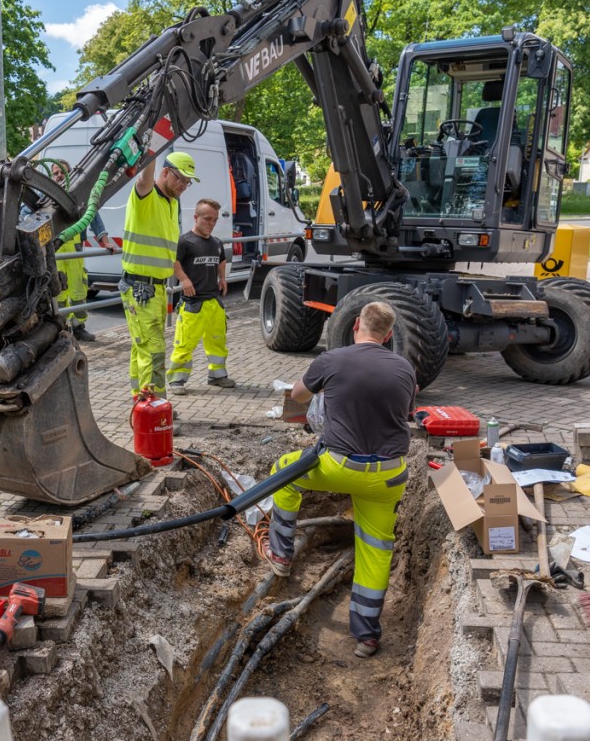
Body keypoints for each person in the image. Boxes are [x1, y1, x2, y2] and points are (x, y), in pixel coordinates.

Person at [262, 301, 416, 659]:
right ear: (389, 334)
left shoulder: (332, 359)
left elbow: (298, 396)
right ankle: (367, 636)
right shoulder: (404, 367)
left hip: (337, 466)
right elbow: (404, 410)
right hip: (387, 477)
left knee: (283, 474)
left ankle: (281, 555)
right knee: (376, 551)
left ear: (356, 325)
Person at [120, 150, 197, 397]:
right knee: (153, 351)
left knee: (141, 348)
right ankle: (155, 407)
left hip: (156, 287)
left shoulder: (172, 203)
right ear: (164, 172)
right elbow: (144, 179)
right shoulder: (147, 195)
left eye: (188, 181)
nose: (184, 186)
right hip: (141, 288)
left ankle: (140, 402)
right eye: (180, 179)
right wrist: (153, 145)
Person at [168, 199, 235, 393]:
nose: (211, 224)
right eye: (207, 219)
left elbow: (221, 260)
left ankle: (217, 376)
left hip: (213, 302)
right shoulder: (185, 241)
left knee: (217, 341)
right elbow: (174, 261)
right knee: (185, 343)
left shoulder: (216, 242)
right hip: (192, 305)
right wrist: (184, 279)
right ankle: (176, 381)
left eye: (214, 220)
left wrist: (222, 278)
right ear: (196, 217)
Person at [49, 160, 117, 342]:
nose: (59, 176)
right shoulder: (46, 199)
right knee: (59, 294)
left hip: (76, 255)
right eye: (55, 173)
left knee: (79, 290)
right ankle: (61, 330)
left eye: (63, 172)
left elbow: (93, 216)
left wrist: (105, 242)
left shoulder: (79, 198)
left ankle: (79, 328)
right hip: (56, 256)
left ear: (71, 175)